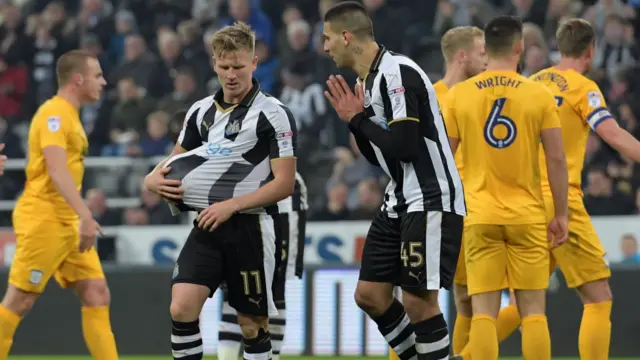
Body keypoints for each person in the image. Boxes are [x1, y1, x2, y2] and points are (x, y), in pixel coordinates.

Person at [461, 18, 640, 360]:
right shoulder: (583, 87)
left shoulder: (532, 82)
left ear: (558, 46)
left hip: (521, 201)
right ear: (591, 50)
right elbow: (612, 134)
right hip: (561, 201)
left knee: (519, 302)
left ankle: (465, 356)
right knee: (598, 297)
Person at [143, 21, 297, 360]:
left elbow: (284, 183)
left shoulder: (274, 115)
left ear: (254, 63)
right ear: (214, 63)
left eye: (239, 66)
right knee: (181, 308)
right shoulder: (199, 113)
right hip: (207, 225)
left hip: (253, 229)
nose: (231, 74)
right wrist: (151, 180)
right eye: (224, 66)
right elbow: (172, 165)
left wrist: (232, 205)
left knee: (252, 324)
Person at [322, 2, 466, 359]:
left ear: (346, 36)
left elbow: (404, 146)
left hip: (430, 197)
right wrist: (356, 122)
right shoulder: (366, 82)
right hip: (399, 199)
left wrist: (358, 120)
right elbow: (380, 157)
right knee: (369, 295)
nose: (324, 47)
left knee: (418, 302)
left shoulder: (396, 72)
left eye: (327, 38)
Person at [443, 15, 569, 360]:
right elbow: (557, 160)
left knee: (482, 311)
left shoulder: (459, 96)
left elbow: (445, 160)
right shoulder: (539, 95)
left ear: (487, 49)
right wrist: (560, 214)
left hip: (479, 214)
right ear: (519, 47)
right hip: (527, 216)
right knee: (533, 312)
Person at [0, 50, 116, 359]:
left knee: (96, 293)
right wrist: (86, 215)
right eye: (97, 75)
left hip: (67, 219)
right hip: (44, 217)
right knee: (20, 300)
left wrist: (78, 216)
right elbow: (56, 168)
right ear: (78, 79)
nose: (103, 82)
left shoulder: (71, 115)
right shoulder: (54, 115)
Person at [218, 172, 308, 360]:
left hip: (279, 196)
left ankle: (272, 356)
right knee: (232, 290)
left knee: (274, 292)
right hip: (232, 190)